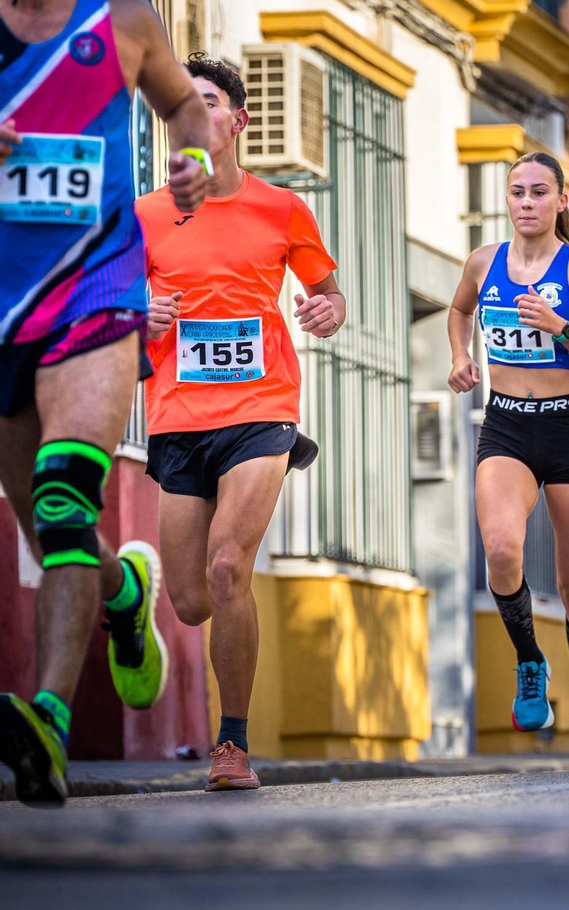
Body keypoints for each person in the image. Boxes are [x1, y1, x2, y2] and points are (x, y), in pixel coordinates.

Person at [0, 0, 215, 806]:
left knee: (60, 498)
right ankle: (129, 601)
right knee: (57, 538)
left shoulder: (123, 23)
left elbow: (184, 111)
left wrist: (195, 165)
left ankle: (43, 718)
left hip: (94, 294)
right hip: (3, 306)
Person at [137, 54, 340, 791]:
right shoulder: (147, 215)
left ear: (237, 122)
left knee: (230, 567)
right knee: (191, 600)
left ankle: (232, 745)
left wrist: (326, 311)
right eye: (178, 106)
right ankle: (138, 605)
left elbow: (328, 293)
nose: (191, 115)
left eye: (207, 101)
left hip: (262, 410)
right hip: (178, 416)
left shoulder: (282, 208)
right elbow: (110, 315)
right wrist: (139, 318)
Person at [448, 153, 569, 770]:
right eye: (517, 192)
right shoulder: (483, 262)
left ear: (560, 201)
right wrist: (460, 356)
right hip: (506, 428)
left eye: (538, 192)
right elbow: (459, 308)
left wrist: (562, 328)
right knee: (501, 550)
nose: (526, 202)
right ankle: (529, 659)